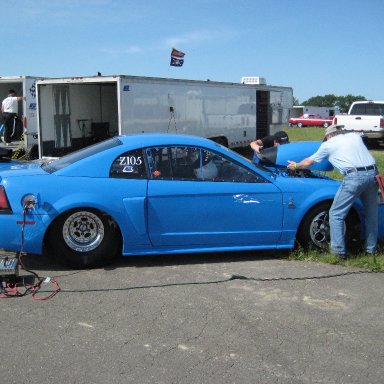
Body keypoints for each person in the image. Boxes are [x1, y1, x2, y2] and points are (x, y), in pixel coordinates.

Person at [287, 125, 378, 259]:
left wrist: (295, 166)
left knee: (336, 214)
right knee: (371, 214)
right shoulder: (354, 136)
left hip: (354, 177)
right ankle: (371, 250)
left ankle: (338, 252)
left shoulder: (328, 145)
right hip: (374, 174)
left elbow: (308, 162)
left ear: (329, 136)